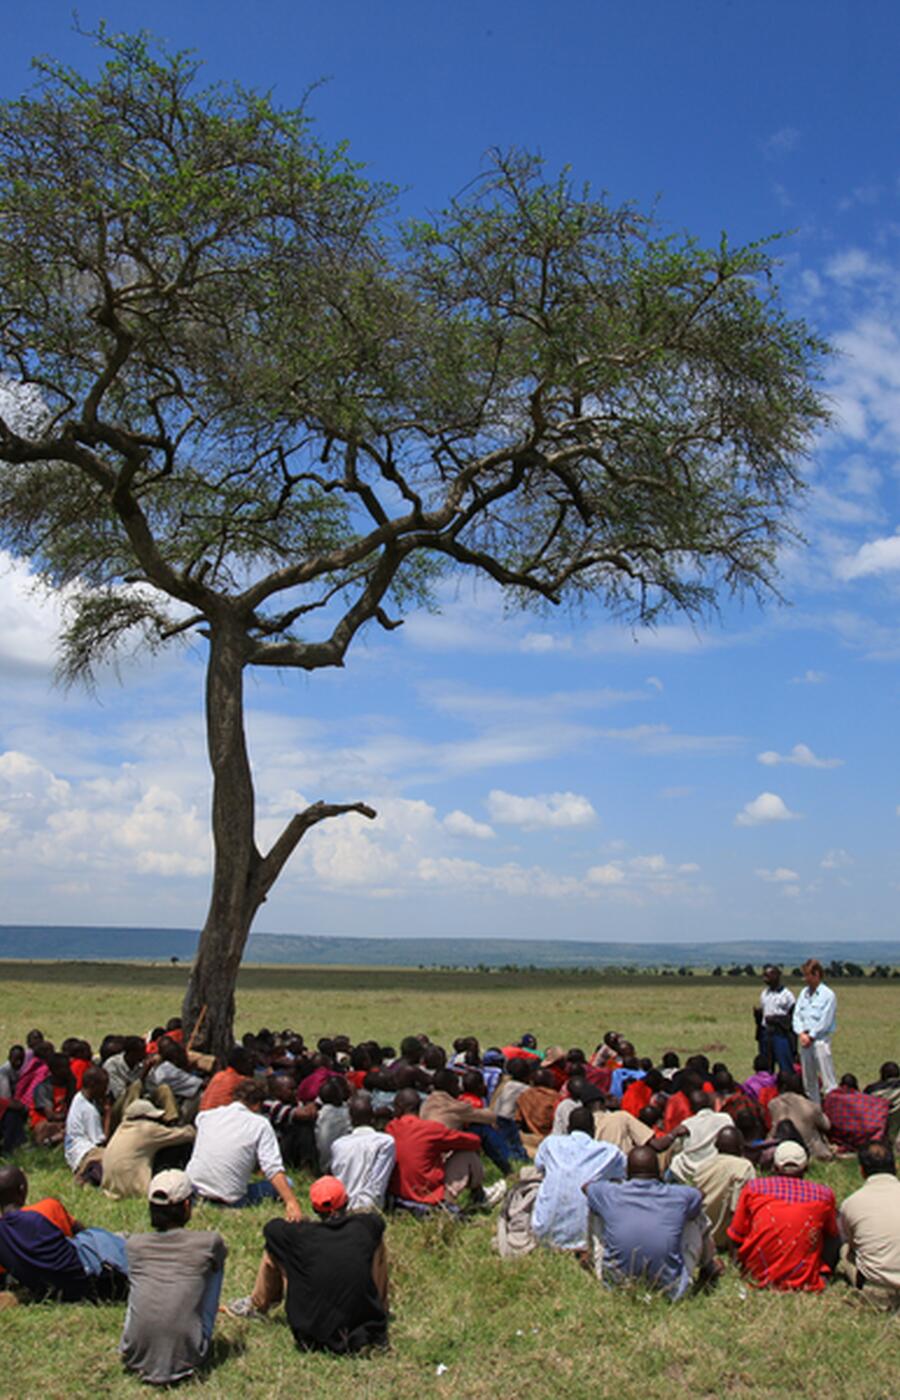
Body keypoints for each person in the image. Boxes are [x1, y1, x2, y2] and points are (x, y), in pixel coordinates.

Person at [228, 1175, 389, 1353]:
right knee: (376, 1244)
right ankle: (380, 1306)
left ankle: (258, 1305)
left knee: (275, 1248)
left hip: (310, 1337)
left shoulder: (300, 1237)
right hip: (365, 1333)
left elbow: (271, 1229)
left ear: (314, 1208)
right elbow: (375, 1221)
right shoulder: (364, 1228)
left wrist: (298, 1222)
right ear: (346, 1202)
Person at [120, 1168, 227, 1385]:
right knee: (216, 1266)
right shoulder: (209, 1243)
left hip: (133, 1355)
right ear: (187, 1206)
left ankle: (136, 1341)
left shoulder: (134, 1245)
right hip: (189, 1358)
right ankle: (192, 1339)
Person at [584, 1145, 718, 1299]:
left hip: (616, 1287)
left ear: (627, 1173)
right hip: (670, 1290)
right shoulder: (679, 1195)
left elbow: (586, 1188)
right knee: (696, 1215)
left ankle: (590, 1259)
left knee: (596, 1209)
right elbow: (700, 1195)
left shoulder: (610, 1193)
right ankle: (708, 1265)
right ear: (659, 1172)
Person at [0, 1164, 128, 1302]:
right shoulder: (44, 1210)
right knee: (100, 1237)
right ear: (22, 1189)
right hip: (91, 1276)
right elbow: (78, 1230)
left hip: (54, 1293)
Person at [727, 1139, 839, 1291]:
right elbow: (832, 1234)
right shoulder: (823, 1195)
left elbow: (736, 1235)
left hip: (756, 1274)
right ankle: (822, 1273)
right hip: (803, 1279)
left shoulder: (754, 1189)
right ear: (806, 1168)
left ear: (774, 1167)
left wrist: (738, 1267)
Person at [186, 1079, 302, 1217]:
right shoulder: (260, 1124)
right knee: (288, 1182)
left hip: (193, 1193)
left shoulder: (206, 1116)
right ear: (257, 1105)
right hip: (230, 1199)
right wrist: (291, 1202)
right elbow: (273, 1169)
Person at [532, 1106, 626, 1251]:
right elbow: (626, 1173)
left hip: (542, 1233)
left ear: (568, 1128)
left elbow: (539, 1167)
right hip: (584, 1240)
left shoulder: (550, 1143)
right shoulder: (609, 1152)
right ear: (594, 1129)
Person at [386, 1087, 496, 1210]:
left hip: (397, 1197)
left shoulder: (391, 1128)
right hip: (428, 1198)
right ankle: (478, 1196)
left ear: (399, 1108)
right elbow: (474, 1141)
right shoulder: (431, 1129)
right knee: (467, 1153)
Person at [837, 1141, 900, 1310]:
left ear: (862, 1171)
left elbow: (849, 1243)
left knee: (845, 1247)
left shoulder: (851, 1203)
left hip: (877, 1289)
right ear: (896, 1166)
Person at [101, 1099, 196, 1200]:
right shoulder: (146, 1129)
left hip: (110, 1189)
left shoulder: (121, 1128)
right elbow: (187, 1135)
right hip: (133, 1191)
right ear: (145, 1117)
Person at [691, 1125, 755, 1248]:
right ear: (741, 1147)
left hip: (702, 1236)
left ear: (716, 1146)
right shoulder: (744, 1167)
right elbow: (737, 1210)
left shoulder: (702, 1167)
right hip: (725, 1238)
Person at [330, 1091, 396, 1211]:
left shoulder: (338, 1144)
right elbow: (378, 1184)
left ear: (350, 1119)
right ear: (373, 1118)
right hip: (368, 1207)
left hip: (341, 1206)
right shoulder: (385, 1142)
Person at [792, 958, 837, 1106]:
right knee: (809, 1080)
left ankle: (833, 1110)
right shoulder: (804, 993)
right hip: (805, 1041)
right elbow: (797, 1015)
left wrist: (811, 1035)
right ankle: (815, 1111)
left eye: (808, 976)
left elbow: (825, 1020)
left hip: (819, 1041)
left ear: (816, 974)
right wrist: (801, 1033)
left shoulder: (828, 995)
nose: (805, 979)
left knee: (827, 1079)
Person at [668, 1091, 733, 1184]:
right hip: (717, 1164)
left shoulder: (688, 1124)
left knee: (675, 1161)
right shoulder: (725, 1118)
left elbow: (677, 1146)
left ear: (691, 1108)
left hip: (691, 1169)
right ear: (710, 1104)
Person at [767, 1070, 834, 1161]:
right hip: (813, 1153)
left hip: (779, 1152)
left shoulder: (773, 1104)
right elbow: (827, 1125)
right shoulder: (810, 1106)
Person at [63, 1065, 109, 1186]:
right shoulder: (89, 1110)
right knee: (111, 1160)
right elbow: (100, 1142)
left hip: (72, 1152)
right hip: (85, 1152)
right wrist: (108, 1115)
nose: (106, 1090)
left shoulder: (78, 1097)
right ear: (94, 1085)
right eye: (104, 1086)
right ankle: (86, 1177)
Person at [823, 1074, 891, 1153]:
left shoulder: (831, 1097)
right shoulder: (865, 1100)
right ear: (856, 1086)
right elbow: (883, 1105)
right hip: (864, 1135)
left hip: (839, 1135)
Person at [756, 965, 796, 1075]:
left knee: (785, 1064)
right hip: (766, 1032)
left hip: (780, 1033)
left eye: (768, 975)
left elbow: (793, 1017)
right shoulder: (764, 993)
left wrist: (776, 1019)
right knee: (767, 1065)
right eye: (764, 975)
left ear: (777, 976)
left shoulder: (787, 995)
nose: (765, 978)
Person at [198, 1046, 254, 1112]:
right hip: (220, 1118)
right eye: (250, 1062)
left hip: (203, 1116)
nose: (252, 1065)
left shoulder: (219, 1075)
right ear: (243, 1063)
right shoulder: (240, 1081)